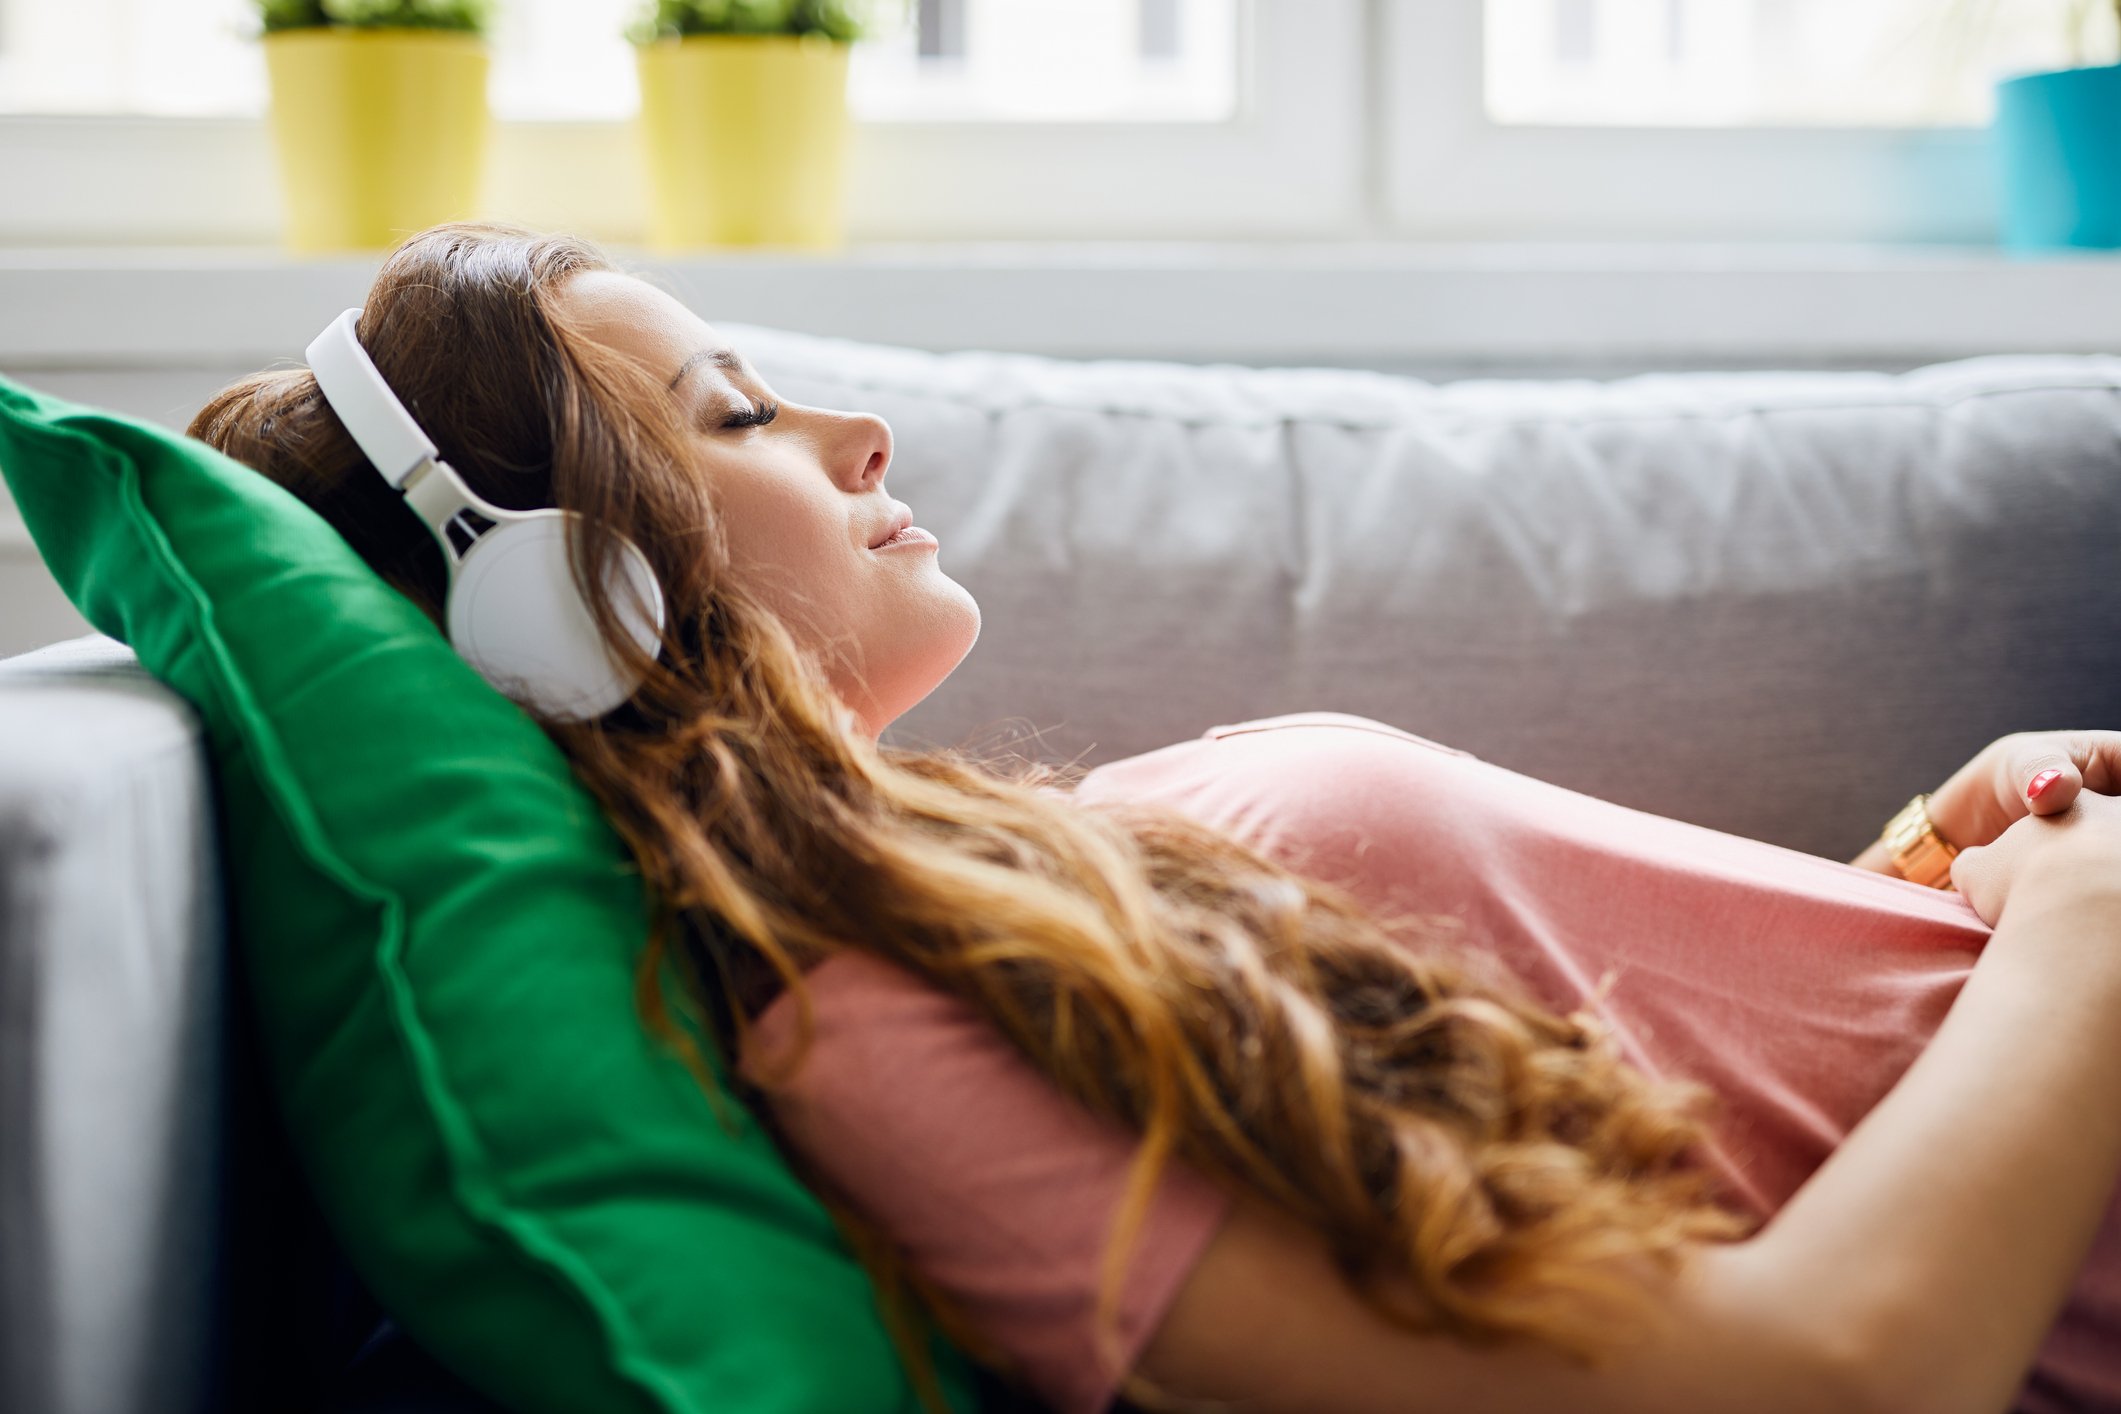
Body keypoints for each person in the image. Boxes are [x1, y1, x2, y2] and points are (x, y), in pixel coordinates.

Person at [189, 221, 2121, 1414]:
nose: (857, 430)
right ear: (568, 602)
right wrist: (2080, 924)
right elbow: (1834, 1373)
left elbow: (1666, 1096)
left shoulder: (994, 899)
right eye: (735, 412)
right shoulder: (887, 1044)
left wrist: (1928, 871)